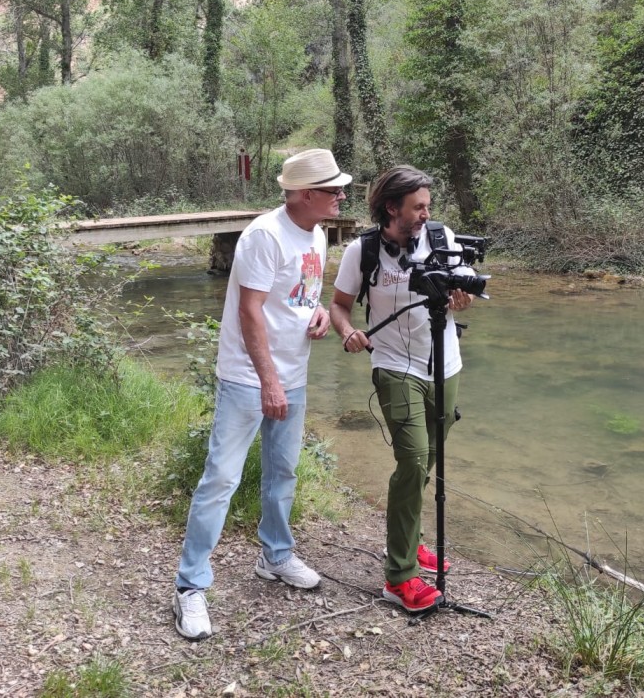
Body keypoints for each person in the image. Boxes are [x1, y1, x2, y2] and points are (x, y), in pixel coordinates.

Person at [172, 148, 351, 641]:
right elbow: (250, 312)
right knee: (222, 478)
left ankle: (275, 557)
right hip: (249, 378)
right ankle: (190, 587)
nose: (341, 194)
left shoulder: (315, 232)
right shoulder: (263, 236)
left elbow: (301, 293)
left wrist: (317, 313)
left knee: (284, 471)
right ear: (305, 194)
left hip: (293, 372)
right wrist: (268, 381)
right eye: (333, 188)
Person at [329, 165, 475, 613]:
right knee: (411, 460)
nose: (425, 214)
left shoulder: (440, 236)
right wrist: (348, 332)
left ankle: (412, 542)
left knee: (429, 459)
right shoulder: (363, 251)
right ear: (391, 208)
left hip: (444, 364)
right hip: (394, 366)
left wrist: (461, 292)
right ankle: (399, 576)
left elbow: (463, 276)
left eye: (428, 206)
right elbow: (339, 306)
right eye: (418, 207)